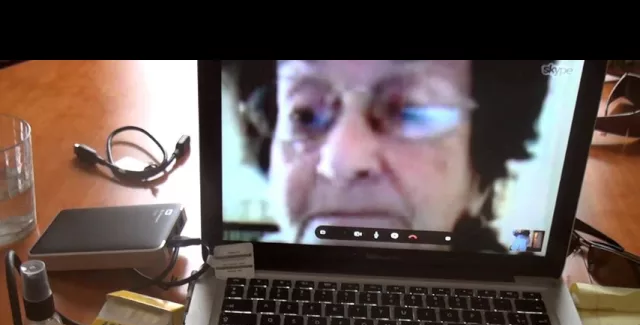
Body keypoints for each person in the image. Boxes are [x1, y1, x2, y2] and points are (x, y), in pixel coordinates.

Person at [223, 60, 553, 252]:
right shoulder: (242, 270)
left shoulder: (505, 298)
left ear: (479, 170)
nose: (344, 161)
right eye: (305, 114)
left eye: (409, 110)